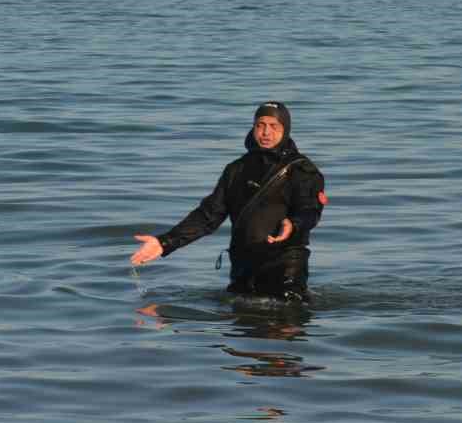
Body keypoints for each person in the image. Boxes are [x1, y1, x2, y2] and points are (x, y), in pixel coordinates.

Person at [130, 102, 326, 301]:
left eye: (274, 126)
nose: (266, 132)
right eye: (260, 125)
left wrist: (293, 224)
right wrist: (165, 242)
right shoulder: (236, 170)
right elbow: (208, 216)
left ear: (285, 129)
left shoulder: (301, 170)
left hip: (285, 267)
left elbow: (310, 209)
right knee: (241, 327)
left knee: (282, 324)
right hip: (243, 268)